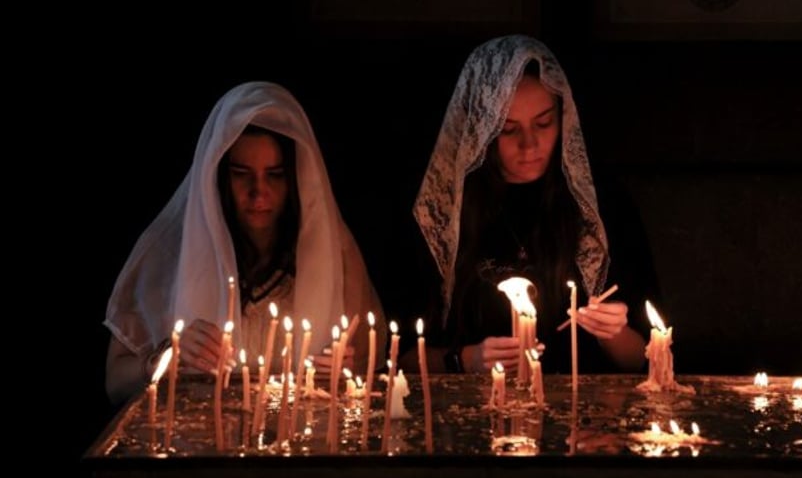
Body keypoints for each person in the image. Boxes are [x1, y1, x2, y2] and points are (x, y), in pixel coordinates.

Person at [104, 81, 388, 405]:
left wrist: (346, 372)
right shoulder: (168, 252)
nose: (258, 192)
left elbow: (371, 376)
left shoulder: (334, 257)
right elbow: (114, 382)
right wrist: (165, 359)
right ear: (219, 176)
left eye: (275, 174)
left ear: (296, 179)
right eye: (242, 173)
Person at [398, 35, 657, 376]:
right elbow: (395, 356)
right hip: (470, 415)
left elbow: (640, 357)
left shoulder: (600, 205)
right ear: (481, 131)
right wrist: (464, 359)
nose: (529, 144)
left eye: (544, 123)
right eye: (508, 130)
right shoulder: (442, 212)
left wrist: (613, 333)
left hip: (583, 417)